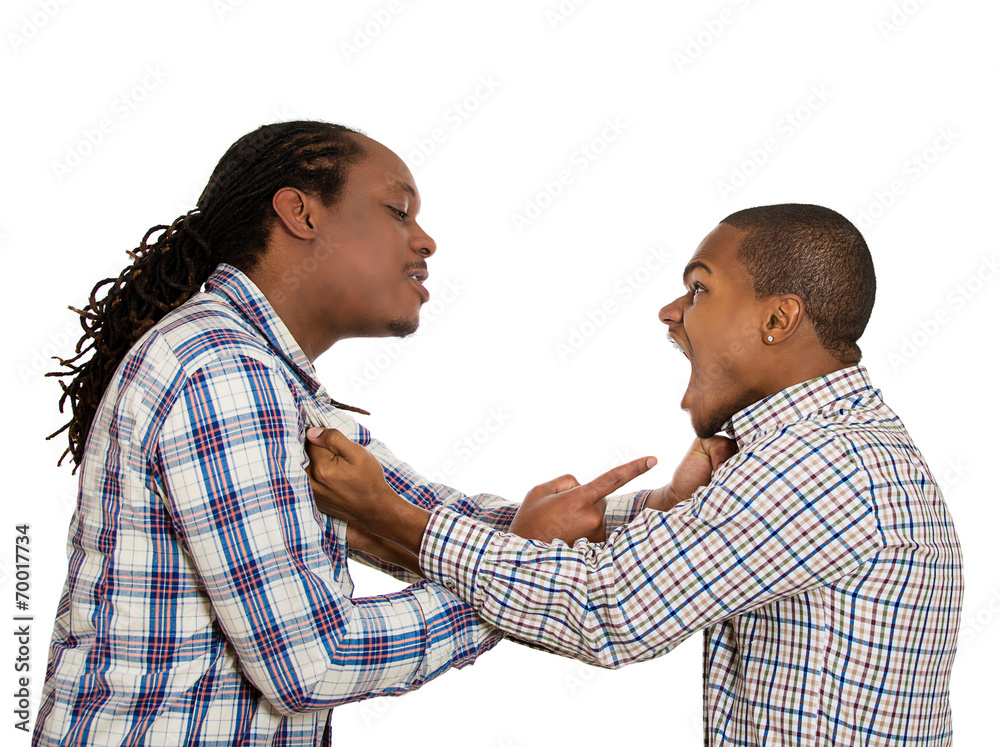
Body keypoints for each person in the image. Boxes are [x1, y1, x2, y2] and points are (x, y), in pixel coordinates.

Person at [35, 120, 703, 747]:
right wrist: (511, 580)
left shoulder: (271, 379)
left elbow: (425, 518)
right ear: (301, 214)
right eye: (397, 211)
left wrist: (663, 505)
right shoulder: (223, 372)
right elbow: (312, 662)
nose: (425, 241)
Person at [306, 204, 964, 746]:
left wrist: (393, 517)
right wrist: (367, 517)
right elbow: (577, 553)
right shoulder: (821, 449)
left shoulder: (823, 464)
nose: (671, 311)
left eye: (700, 288)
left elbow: (608, 605)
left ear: (777, 319)